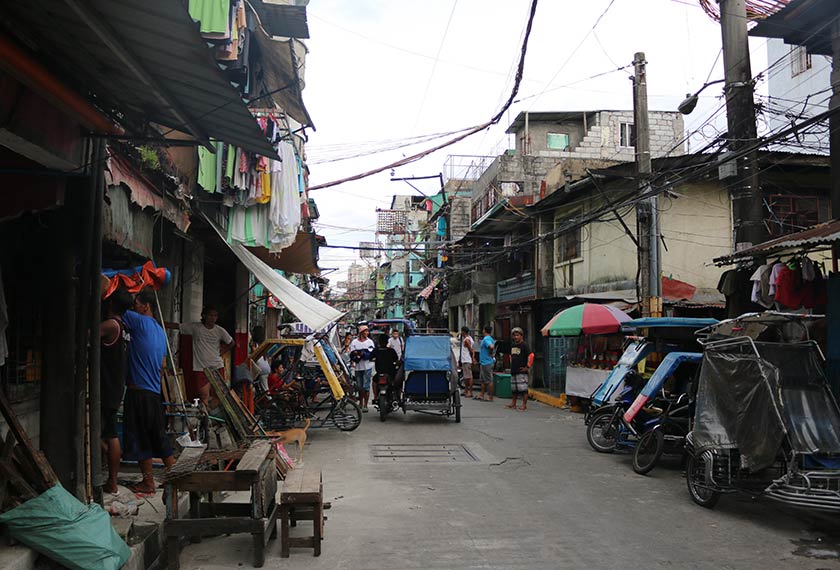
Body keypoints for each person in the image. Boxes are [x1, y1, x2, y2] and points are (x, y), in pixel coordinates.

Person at [121, 287, 175, 495]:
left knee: (142, 438)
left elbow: (116, 306)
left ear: (145, 306)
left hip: (139, 391)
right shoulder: (161, 333)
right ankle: (177, 477)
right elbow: (162, 365)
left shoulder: (138, 321)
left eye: (136, 303)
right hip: (153, 393)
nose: (134, 306)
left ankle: (148, 482)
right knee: (158, 437)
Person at [167, 306, 236, 407]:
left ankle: (212, 417)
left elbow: (232, 343)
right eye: (211, 315)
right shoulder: (195, 328)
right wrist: (159, 322)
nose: (213, 318)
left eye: (215, 316)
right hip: (201, 368)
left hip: (217, 366)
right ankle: (206, 418)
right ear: (204, 316)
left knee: (218, 396)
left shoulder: (220, 330)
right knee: (204, 396)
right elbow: (178, 326)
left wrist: (222, 351)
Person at [99, 288, 132, 494]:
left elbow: (85, 333)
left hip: (108, 386)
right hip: (115, 385)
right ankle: (110, 477)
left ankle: (112, 481)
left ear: (110, 305)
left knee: (110, 433)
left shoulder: (112, 325)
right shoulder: (126, 327)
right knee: (106, 433)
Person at [506, 327, 533, 411]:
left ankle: (524, 405)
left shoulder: (524, 345)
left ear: (521, 336)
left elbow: (531, 355)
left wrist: (527, 367)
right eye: (514, 335)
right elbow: (511, 356)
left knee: (523, 389)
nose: (515, 337)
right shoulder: (513, 345)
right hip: (514, 370)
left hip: (521, 371)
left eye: (517, 335)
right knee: (514, 389)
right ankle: (513, 404)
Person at [350, 325, 375, 412]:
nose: (367, 333)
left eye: (367, 331)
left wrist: (362, 354)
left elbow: (371, 354)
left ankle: (365, 404)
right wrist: (358, 355)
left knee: (366, 386)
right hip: (358, 368)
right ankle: (360, 403)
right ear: (361, 332)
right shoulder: (354, 342)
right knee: (359, 387)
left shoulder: (370, 342)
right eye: (365, 331)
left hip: (367, 367)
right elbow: (352, 354)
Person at [477, 325, 495, 402]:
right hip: (484, 362)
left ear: (484, 330)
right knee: (483, 380)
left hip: (487, 362)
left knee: (488, 380)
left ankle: (490, 396)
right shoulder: (489, 338)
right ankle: (481, 394)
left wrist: (490, 353)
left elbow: (491, 346)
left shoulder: (486, 339)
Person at [459, 326, 476, 398]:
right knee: (466, 376)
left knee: (469, 376)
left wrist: (473, 358)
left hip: (467, 360)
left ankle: (470, 392)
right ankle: (466, 391)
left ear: (463, 332)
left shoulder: (467, 340)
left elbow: (471, 350)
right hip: (465, 359)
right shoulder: (469, 338)